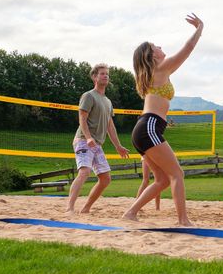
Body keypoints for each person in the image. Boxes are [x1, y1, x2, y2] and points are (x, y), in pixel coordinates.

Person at [122, 13, 203, 226]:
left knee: (163, 180)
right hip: (149, 128)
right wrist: (199, 28)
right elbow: (187, 50)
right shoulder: (160, 68)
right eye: (155, 46)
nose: (160, 46)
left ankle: (130, 212)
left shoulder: (154, 73)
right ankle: (183, 220)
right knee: (177, 174)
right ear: (152, 55)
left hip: (145, 129)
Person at [66, 63, 130, 214]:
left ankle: (86, 208)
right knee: (84, 172)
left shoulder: (107, 101)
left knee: (106, 178)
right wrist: (88, 137)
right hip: (83, 139)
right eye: (102, 73)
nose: (106, 76)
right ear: (94, 77)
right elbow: (82, 117)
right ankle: (69, 208)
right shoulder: (89, 96)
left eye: (107, 74)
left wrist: (118, 146)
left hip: (97, 144)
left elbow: (110, 126)